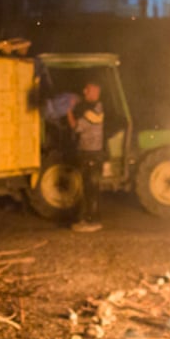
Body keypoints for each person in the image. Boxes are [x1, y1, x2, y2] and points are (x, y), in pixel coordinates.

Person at [67, 81, 105, 232]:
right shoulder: (96, 107)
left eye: (87, 90)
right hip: (93, 153)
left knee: (90, 188)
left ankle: (91, 222)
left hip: (90, 153)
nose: (84, 92)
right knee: (91, 187)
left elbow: (76, 127)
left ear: (95, 92)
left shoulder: (92, 112)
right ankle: (92, 219)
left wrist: (68, 110)